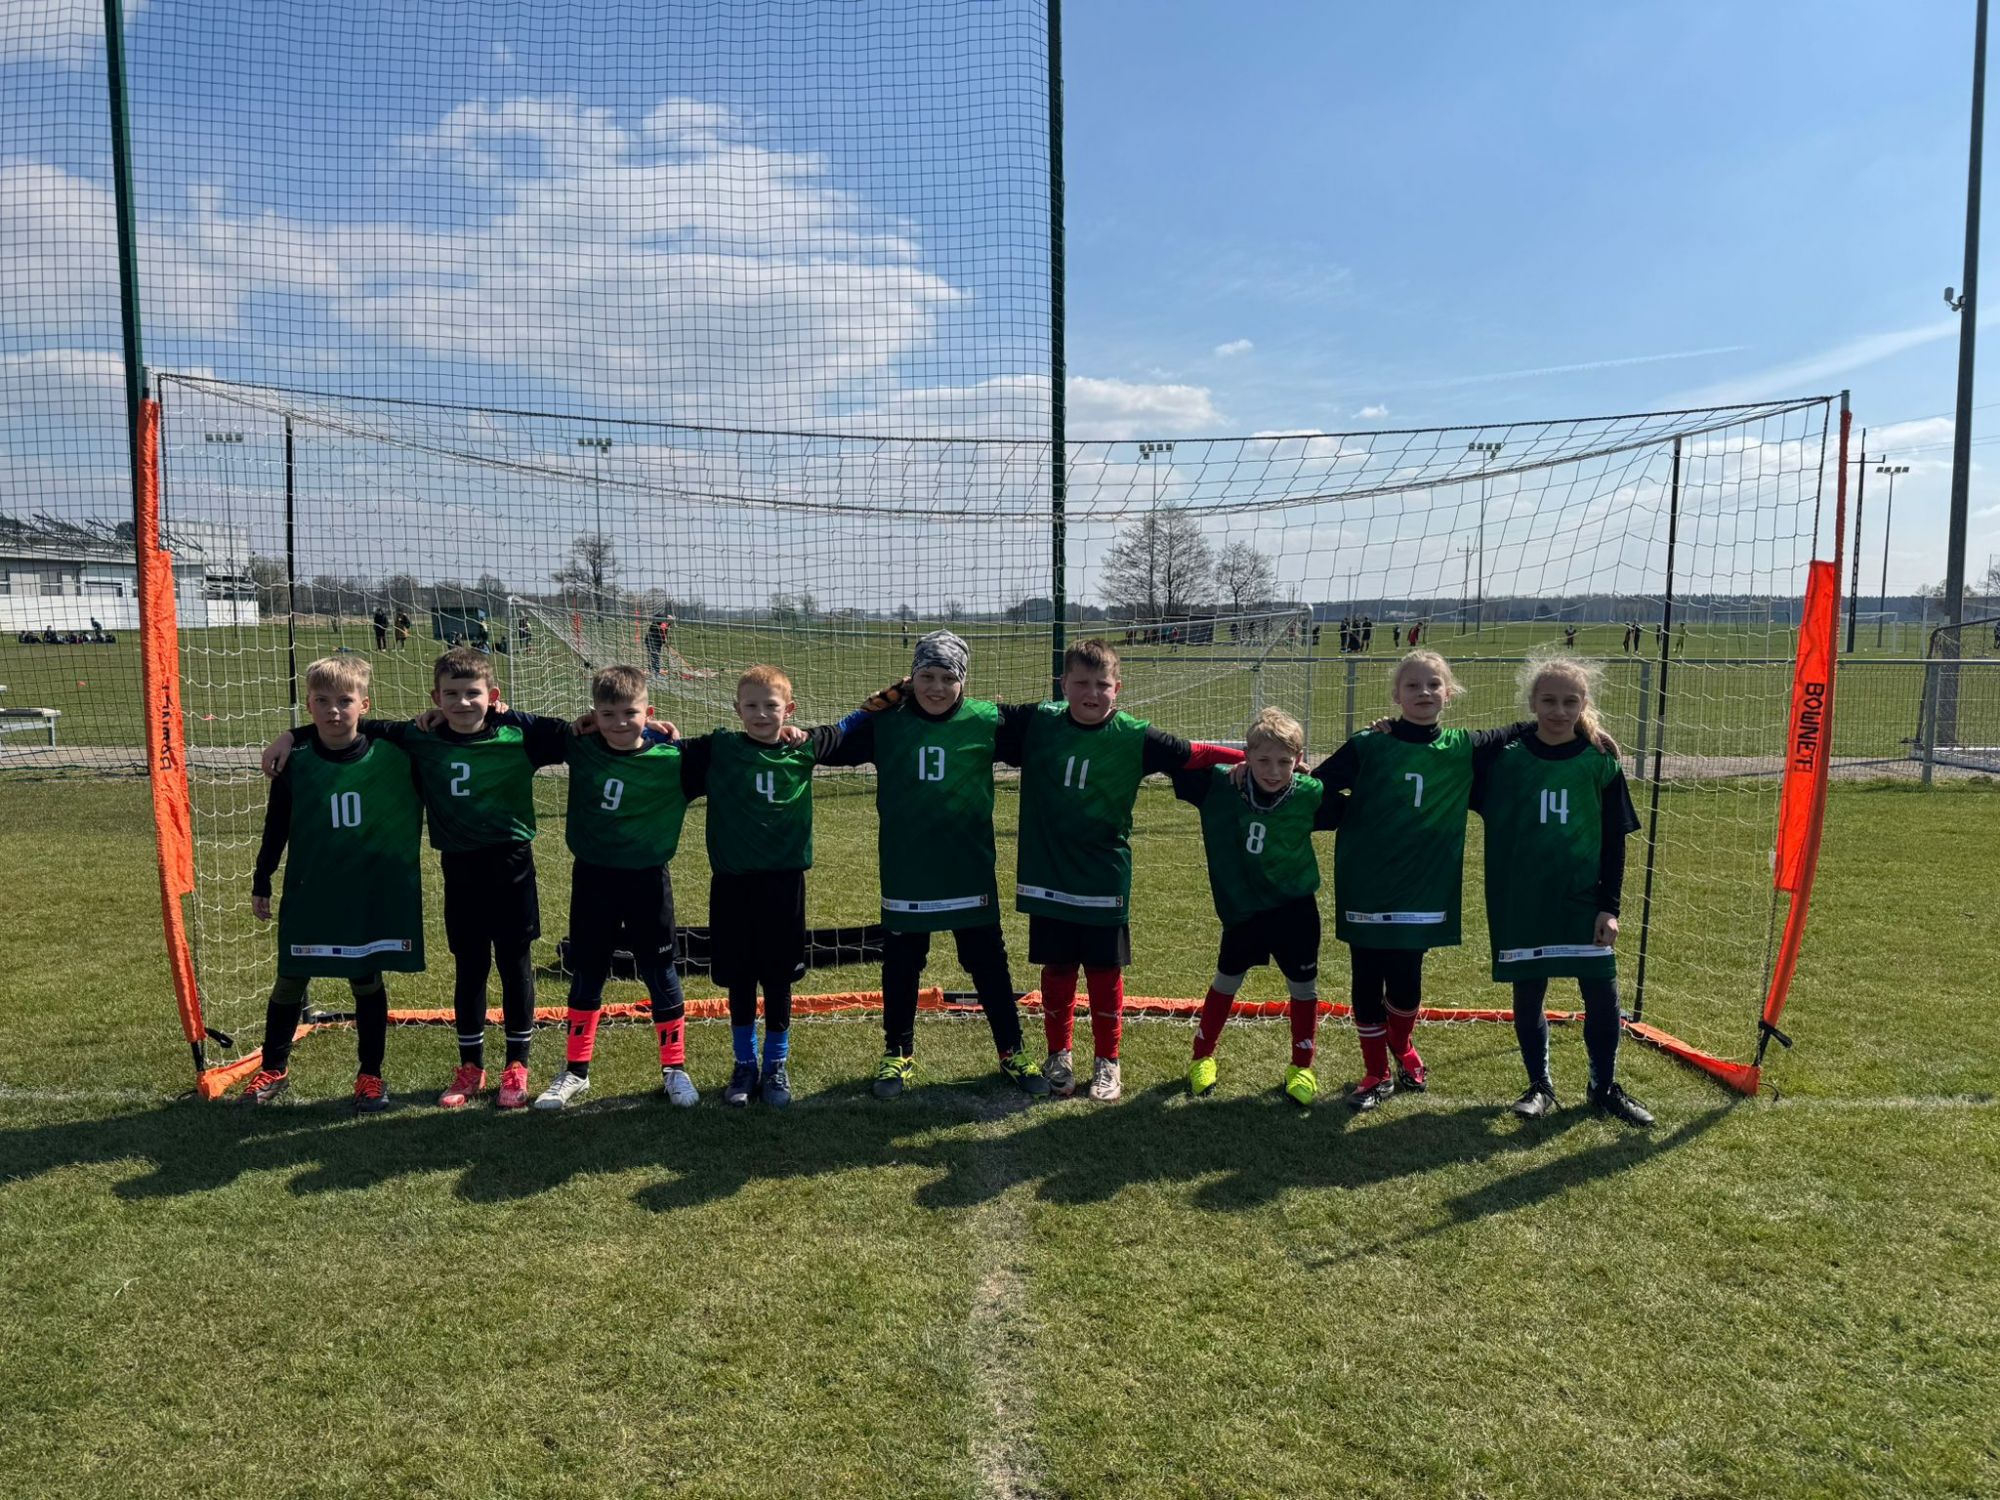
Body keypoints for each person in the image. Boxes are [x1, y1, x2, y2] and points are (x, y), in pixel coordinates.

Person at [261, 647, 569, 1110]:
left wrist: (650, 728)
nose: (462, 703)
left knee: (514, 963)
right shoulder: (421, 736)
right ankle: (471, 1066)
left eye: (473, 694)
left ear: (492, 695)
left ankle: (516, 1065)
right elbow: (353, 724)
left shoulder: (518, 735)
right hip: (459, 868)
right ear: (435, 698)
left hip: (512, 867)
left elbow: (577, 734)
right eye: (452, 694)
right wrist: (290, 735)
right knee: (470, 966)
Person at [1309, 650, 1562, 1112]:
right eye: (1412, 685)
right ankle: (1376, 1072)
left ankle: (1402, 1044)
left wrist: (1586, 728)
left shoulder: (1463, 747)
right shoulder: (1369, 744)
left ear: (1449, 693)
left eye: (1433, 685)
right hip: (1367, 881)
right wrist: (1353, 813)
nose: (1423, 692)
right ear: (1396, 695)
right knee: (1366, 977)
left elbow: (1524, 730)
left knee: (1406, 980)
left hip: (1423, 887)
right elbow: (1316, 787)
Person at [1000, 639, 1244, 1102]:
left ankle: (1107, 1061)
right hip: (1049, 874)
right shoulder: (1039, 721)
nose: (1091, 693)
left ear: (1119, 688)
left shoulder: (1135, 735)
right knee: (1057, 967)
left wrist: (1247, 758)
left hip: (1103, 876)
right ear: (1063, 684)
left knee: (1104, 970)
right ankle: (1058, 1055)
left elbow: (1192, 753)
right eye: (1081, 683)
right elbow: (975, 716)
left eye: (1102, 684)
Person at [830, 632, 1048, 1100]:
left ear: (963, 681)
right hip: (907, 871)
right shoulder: (886, 723)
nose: (937, 687)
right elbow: (828, 745)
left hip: (967, 871)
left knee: (988, 964)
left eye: (948, 678)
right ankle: (897, 1053)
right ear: (911, 678)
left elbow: (1060, 725)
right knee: (902, 964)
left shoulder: (989, 720)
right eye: (927, 676)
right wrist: (860, 714)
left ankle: (1012, 1050)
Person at [238, 656, 424, 1108]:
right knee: (290, 979)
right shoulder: (295, 762)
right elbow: (276, 826)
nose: (334, 710)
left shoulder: (394, 750)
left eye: (345, 701)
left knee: (365, 978)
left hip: (366, 893)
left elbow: (433, 730)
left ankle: (370, 1076)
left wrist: (291, 732)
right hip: (311, 890)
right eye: (322, 701)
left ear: (365, 705)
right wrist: (262, 878)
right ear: (309, 705)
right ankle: (273, 1069)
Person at [1474, 653, 1651, 1126]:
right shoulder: (1506, 759)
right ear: (1531, 702)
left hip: (1584, 900)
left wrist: (1609, 907)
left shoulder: (1599, 761)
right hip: (1523, 899)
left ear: (1584, 703)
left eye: (1570, 701)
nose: (1558, 710)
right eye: (1548, 700)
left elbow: (1614, 841)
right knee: (1529, 992)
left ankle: (1603, 1087)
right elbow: (1444, 758)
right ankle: (1540, 1086)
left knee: (1602, 996)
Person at [676, 665, 845, 1108]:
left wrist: (888, 699)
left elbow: (847, 728)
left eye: (771, 706)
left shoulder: (803, 748)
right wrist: (656, 729)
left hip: (784, 886)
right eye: (751, 706)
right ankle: (744, 1064)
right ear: (737, 709)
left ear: (789, 709)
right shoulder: (720, 748)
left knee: (778, 978)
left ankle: (775, 1065)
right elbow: (662, 749)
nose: (761, 714)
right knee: (739, 978)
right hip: (732, 886)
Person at [533, 665, 700, 1109]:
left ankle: (675, 1069)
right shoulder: (580, 745)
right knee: (588, 970)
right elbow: (525, 725)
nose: (620, 723)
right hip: (593, 879)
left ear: (649, 712)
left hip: (648, 881)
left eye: (630, 713)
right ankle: (575, 1071)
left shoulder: (674, 758)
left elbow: (733, 749)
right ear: (594, 715)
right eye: (608, 714)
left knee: (660, 971)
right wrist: (501, 709)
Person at [1176, 707, 1342, 1106]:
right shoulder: (1222, 786)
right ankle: (1202, 1057)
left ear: (1299, 761)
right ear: (1247, 755)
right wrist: (1232, 762)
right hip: (1245, 909)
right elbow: (1179, 760)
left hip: (1295, 909)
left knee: (1303, 987)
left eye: (1284, 762)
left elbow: (1358, 805)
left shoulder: (1309, 794)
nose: (1273, 771)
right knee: (1226, 981)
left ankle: (1301, 1066)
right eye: (1263, 760)